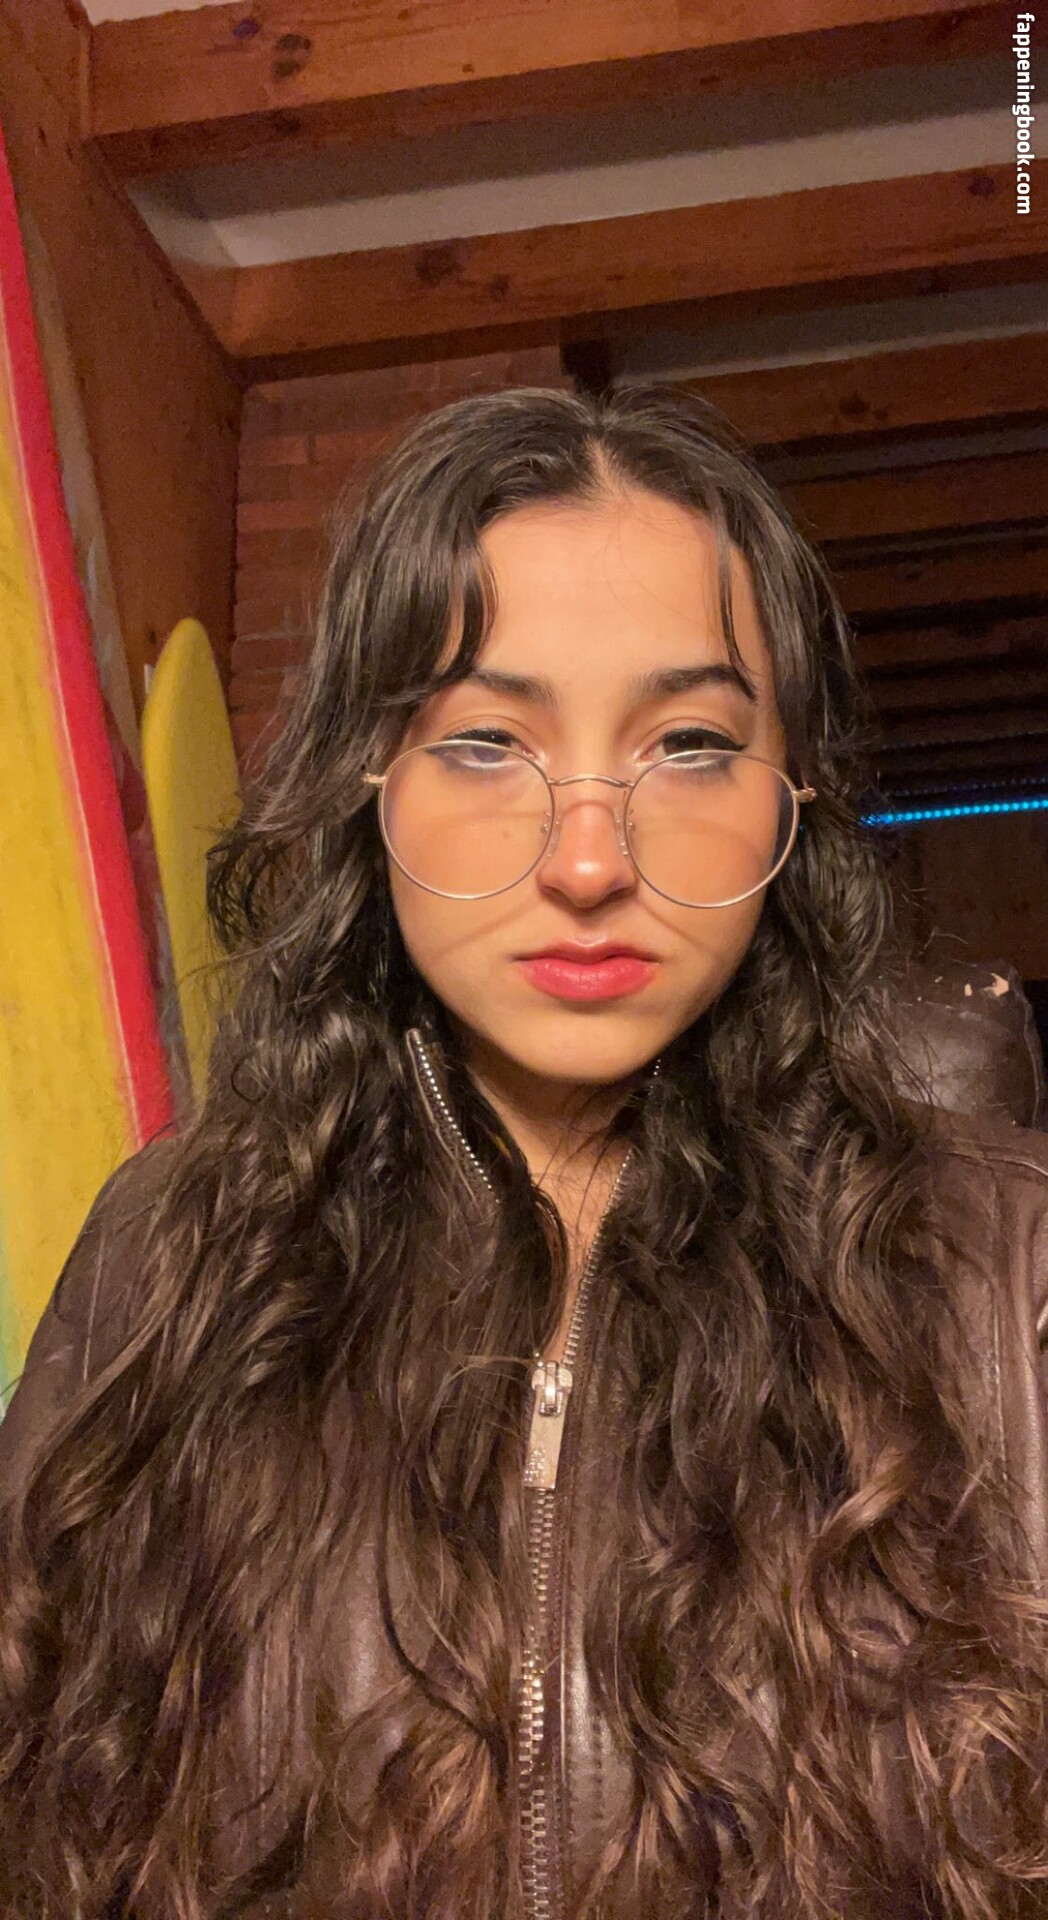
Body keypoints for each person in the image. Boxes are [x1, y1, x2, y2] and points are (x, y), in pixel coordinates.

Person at [1, 385, 1047, 1920]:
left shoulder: (1007, 1274)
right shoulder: (173, 1246)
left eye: (690, 745)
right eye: (488, 743)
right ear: (374, 781)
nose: (588, 860)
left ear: (793, 793)